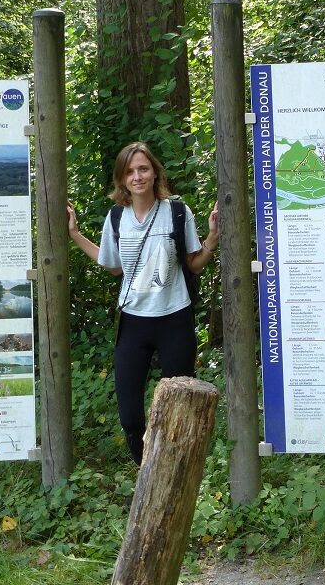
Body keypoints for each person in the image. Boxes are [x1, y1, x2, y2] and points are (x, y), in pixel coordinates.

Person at [67, 141, 219, 464]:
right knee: (131, 418)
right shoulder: (116, 218)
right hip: (133, 322)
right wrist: (76, 235)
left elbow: (193, 262)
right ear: (122, 180)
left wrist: (212, 240)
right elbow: (113, 265)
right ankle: (145, 470)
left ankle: (174, 470)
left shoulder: (177, 212)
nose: (137, 176)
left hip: (174, 318)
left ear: (154, 173)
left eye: (143, 169)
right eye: (130, 171)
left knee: (180, 408)